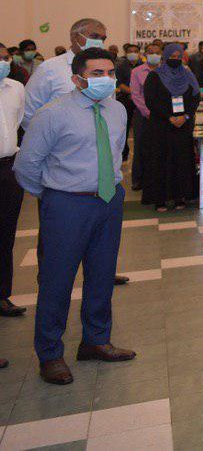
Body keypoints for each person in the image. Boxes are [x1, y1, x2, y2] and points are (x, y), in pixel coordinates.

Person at [15, 48, 135, 385]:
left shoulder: (117, 110)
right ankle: (50, 354)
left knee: (102, 274)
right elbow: (26, 166)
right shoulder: (53, 114)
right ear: (77, 79)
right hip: (67, 204)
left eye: (110, 73)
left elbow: (116, 152)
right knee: (57, 280)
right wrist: (54, 197)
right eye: (97, 73)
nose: (106, 79)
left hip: (108, 201)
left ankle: (96, 340)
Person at [142, 44, 199, 211]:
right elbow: (151, 100)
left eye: (178, 56)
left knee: (181, 161)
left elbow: (195, 98)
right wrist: (169, 117)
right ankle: (160, 200)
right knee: (160, 162)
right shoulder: (154, 76)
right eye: (172, 56)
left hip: (182, 126)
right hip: (161, 126)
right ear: (165, 57)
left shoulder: (188, 75)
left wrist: (185, 116)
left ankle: (180, 197)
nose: (176, 59)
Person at [0, 44, 25, 320]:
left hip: (8, 167)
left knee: (6, 234)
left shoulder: (16, 88)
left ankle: (2, 295)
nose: (3, 63)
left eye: (5, 58)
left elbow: (19, 123)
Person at [128, 43, 162, 191]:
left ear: (161, 54)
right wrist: (148, 112)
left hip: (162, 115)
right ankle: (138, 180)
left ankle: (157, 179)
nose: (154, 55)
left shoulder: (165, 71)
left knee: (159, 147)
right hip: (143, 115)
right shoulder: (137, 71)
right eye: (150, 52)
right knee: (141, 147)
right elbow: (135, 94)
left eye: (157, 52)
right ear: (145, 54)